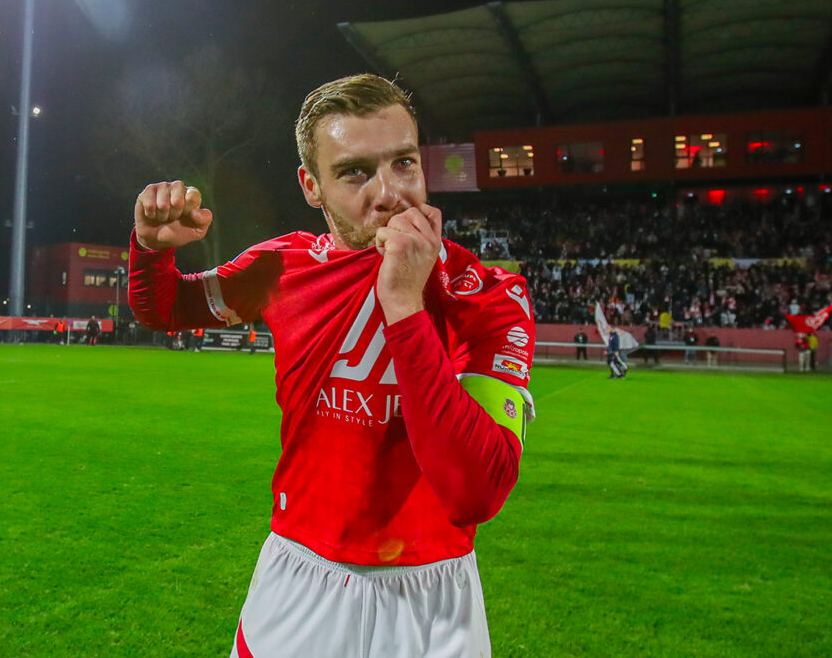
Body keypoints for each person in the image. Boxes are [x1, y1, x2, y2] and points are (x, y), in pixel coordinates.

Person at [128, 74, 535, 658]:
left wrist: (403, 307)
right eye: (354, 172)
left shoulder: (487, 296)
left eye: (404, 164)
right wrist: (151, 248)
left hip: (431, 600)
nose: (390, 192)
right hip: (301, 578)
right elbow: (165, 308)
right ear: (311, 186)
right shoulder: (281, 268)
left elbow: (476, 491)